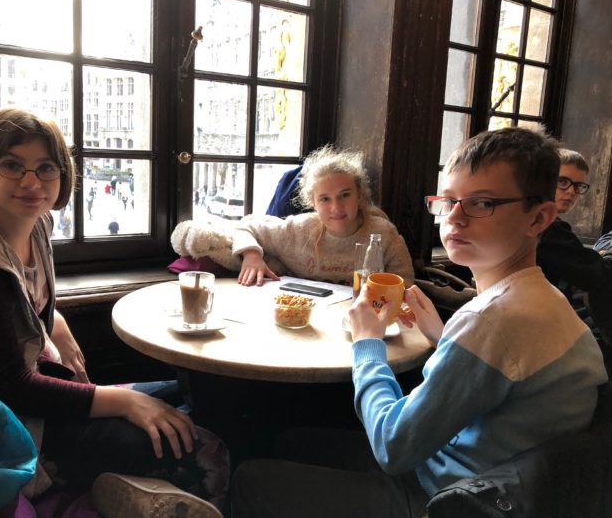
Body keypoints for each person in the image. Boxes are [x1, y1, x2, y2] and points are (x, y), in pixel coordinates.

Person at [230, 127, 608, 518]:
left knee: (251, 478)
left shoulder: (490, 320)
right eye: (449, 201)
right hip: (488, 473)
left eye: (482, 203)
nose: (455, 218)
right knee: (290, 441)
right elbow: (498, 382)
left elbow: (393, 446)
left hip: (452, 498)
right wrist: (444, 338)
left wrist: (367, 342)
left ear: (539, 218)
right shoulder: (545, 299)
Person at [0, 108, 227, 516]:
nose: (31, 182)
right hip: (6, 425)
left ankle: (123, 487)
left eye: (45, 168)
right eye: (12, 166)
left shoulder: (36, 225)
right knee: (202, 447)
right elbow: (11, 387)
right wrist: (124, 403)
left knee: (190, 395)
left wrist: (55, 322)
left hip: (39, 395)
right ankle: (106, 489)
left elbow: (20, 307)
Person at [233, 145, 414, 286]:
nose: (337, 207)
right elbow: (244, 226)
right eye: (325, 199)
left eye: (345, 195)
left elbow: (405, 288)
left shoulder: (384, 235)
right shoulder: (298, 230)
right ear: (313, 202)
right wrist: (251, 255)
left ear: (359, 194)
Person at [536, 149, 612, 348]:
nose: (571, 191)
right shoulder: (547, 226)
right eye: (562, 181)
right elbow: (594, 274)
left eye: (578, 186)